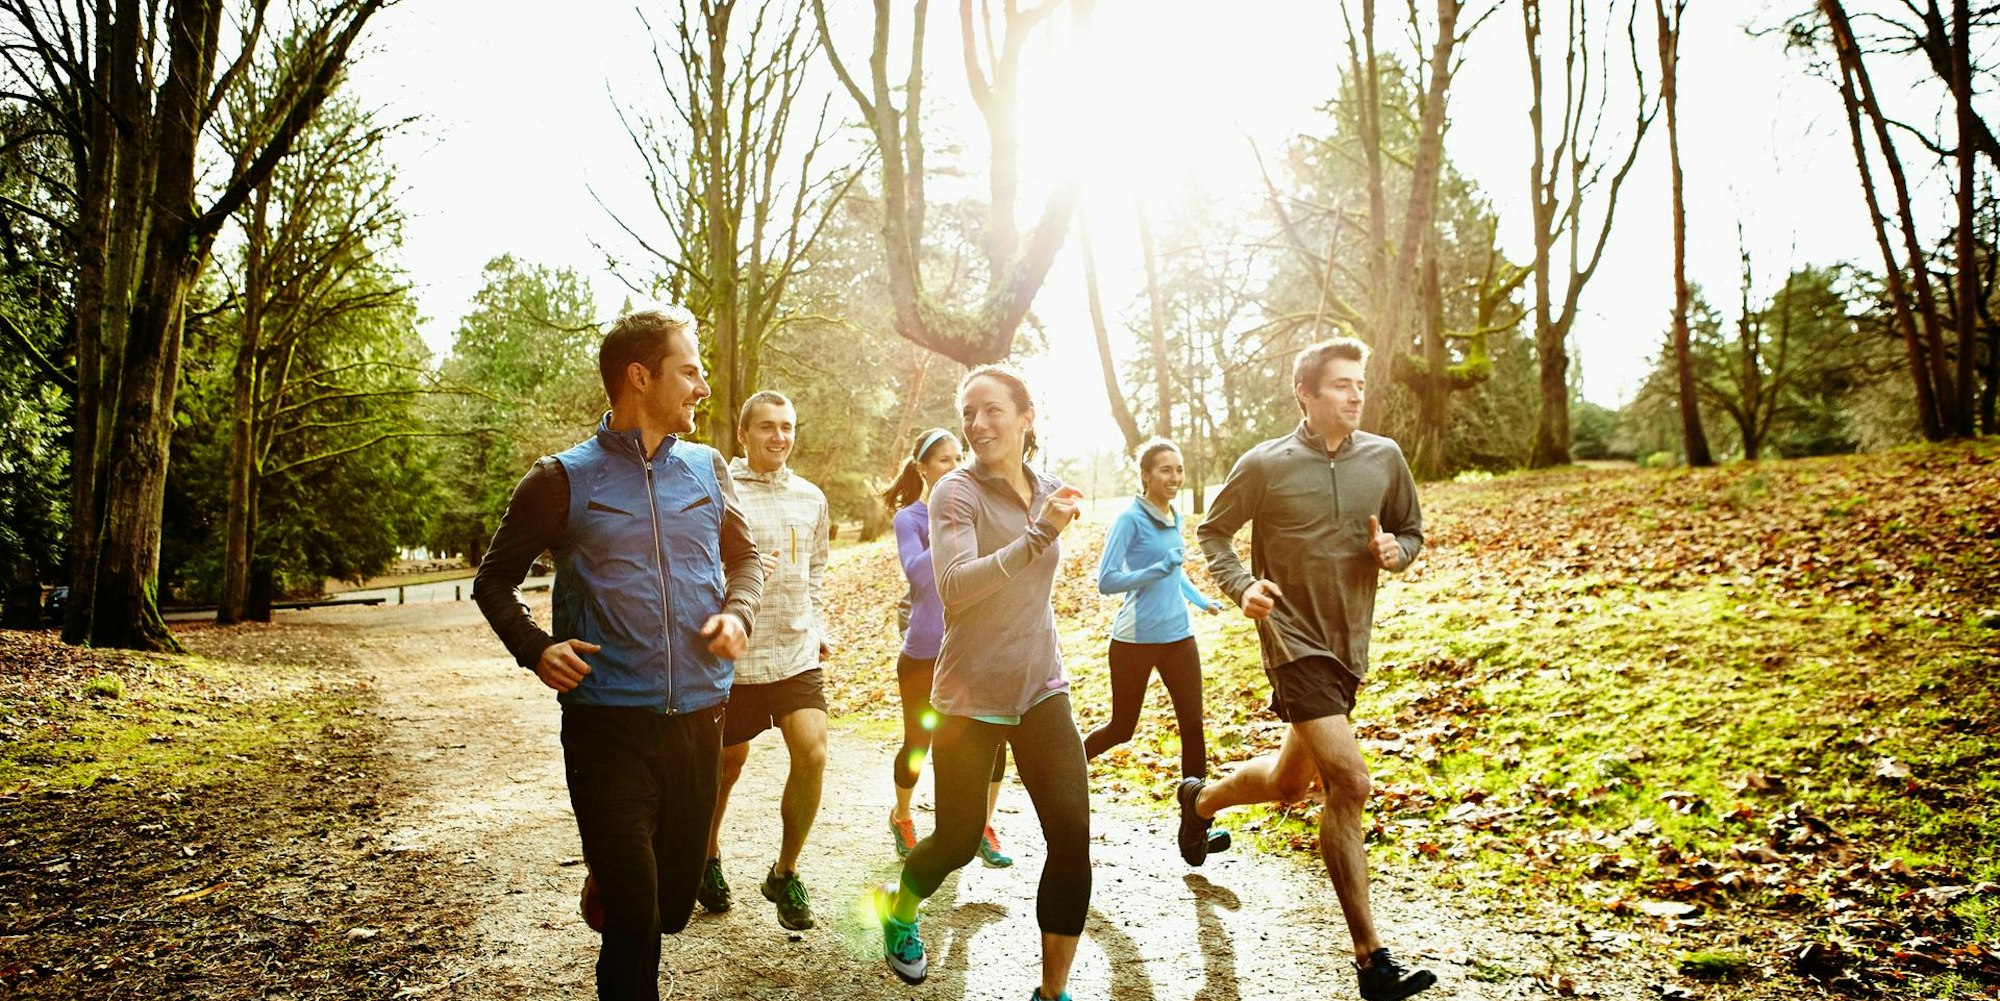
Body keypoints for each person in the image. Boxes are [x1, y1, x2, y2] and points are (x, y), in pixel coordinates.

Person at [472, 306, 762, 1001]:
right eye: (689, 370)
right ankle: (619, 862)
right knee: (636, 920)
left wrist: (737, 611)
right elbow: (494, 581)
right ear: (640, 375)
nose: (701, 386)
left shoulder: (707, 468)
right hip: (607, 723)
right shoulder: (561, 480)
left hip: (699, 715)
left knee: (670, 907)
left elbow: (746, 557)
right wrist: (535, 648)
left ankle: (613, 862)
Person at [1185, 337, 1437, 1001]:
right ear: (1306, 392)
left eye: (1360, 383)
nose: (1356, 394)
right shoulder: (1265, 464)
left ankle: (1200, 800)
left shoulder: (1384, 458)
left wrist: (1396, 551)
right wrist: (1243, 587)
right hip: (1290, 638)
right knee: (1348, 781)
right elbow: (1213, 532)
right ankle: (1371, 962)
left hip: (1349, 643)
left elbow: (1413, 530)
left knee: (1288, 783)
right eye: (1341, 385)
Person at [875, 366, 1090, 1001]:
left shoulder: (1047, 488)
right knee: (960, 840)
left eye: (992, 410)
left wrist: (1045, 524)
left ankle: (1052, 993)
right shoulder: (954, 492)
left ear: (1027, 416)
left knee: (1072, 840)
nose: (977, 424)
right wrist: (1039, 534)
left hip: (1042, 685)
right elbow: (956, 587)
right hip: (968, 693)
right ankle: (900, 906)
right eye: (969, 412)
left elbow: (1034, 584)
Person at [698, 391, 832, 931]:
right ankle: (707, 857)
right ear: (744, 435)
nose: (779, 437)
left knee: (813, 751)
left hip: (796, 651)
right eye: (767, 428)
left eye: (787, 427)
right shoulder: (719, 491)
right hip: (738, 659)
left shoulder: (810, 496)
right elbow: (699, 568)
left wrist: (818, 623)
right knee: (726, 768)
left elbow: (818, 568)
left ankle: (786, 871)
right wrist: (746, 577)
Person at [1084, 438, 1230, 856]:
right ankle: (1062, 772)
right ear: (1146, 475)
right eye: (1165, 470)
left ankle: (1195, 832)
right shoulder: (1129, 520)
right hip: (1134, 641)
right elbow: (1107, 580)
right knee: (1121, 728)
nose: (1174, 477)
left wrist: (1199, 598)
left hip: (1179, 638)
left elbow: (1175, 571)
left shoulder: (1174, 514)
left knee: (1193, 728)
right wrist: (1154, 570)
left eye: (1179, 469)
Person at [880, 428, 1013, 868]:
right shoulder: (910, 520)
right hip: (924, 652)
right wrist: (948, 522)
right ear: (922, 468)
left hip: (975, 649)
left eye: (959, 458)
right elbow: (919, 576)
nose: (954, 467)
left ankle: (982, 827)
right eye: (942, 460)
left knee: (993, 745)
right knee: (920, 743)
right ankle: (902, 816)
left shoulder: (977, 511)